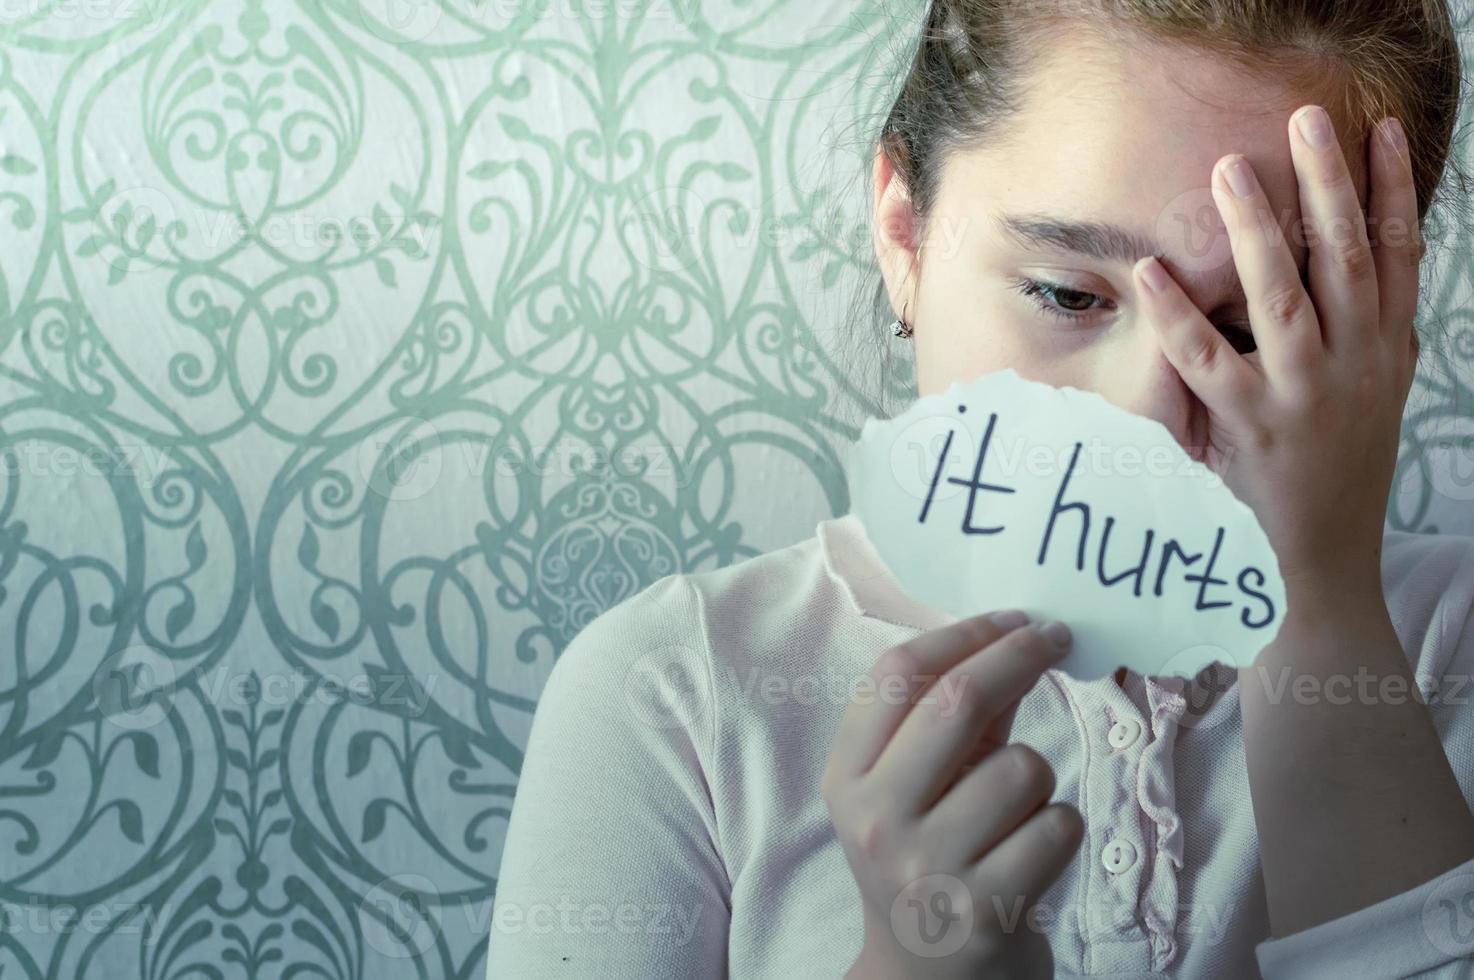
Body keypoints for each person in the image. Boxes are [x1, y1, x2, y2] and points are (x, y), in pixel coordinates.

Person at [485, 0, 1474, 976]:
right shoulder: (677, 690)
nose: (1147, 417)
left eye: (1259, 318)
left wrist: (1321, 604)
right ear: (905, 236)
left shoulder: (1453, 644)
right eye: (1065, 293)